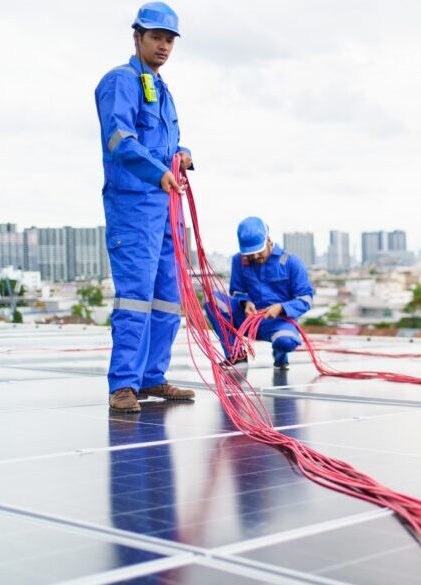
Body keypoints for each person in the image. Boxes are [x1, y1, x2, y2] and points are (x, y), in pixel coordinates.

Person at [96, 2, 195, 412]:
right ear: (137, 37)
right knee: (135, 297)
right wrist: (157, 173)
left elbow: (169, 144)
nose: (164, 46)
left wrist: (184, 154)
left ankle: (152, 376)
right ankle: (123, 384)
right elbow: (120, 140)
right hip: (134, 208)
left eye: (169, 39)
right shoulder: (120, 82)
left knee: (168, 297)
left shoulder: (163, 88)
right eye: (156, 37)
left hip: (167, 208)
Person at [204, 217, 315, 370]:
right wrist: (245, 302)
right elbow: (237, 291)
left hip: (278, 322)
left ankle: (280, 354)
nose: (255, 257)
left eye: (258, 252)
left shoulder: (291, 263)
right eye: (250, 254)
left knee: (285, 342)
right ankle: (236, 354)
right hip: (248, 319)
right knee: (212, 300)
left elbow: (306, 299)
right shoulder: (239, 260)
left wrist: (281, 308)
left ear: (268, 240)